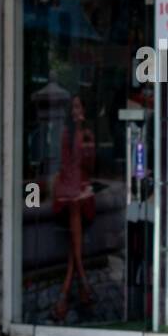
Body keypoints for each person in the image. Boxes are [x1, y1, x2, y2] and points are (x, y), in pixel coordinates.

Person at [52, 95, 96, 323]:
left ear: (84, 111)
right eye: (73, 108)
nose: (76, 111)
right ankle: (83, 283)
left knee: (77, 210)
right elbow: (63, 167)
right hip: (67, 194)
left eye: (79, 106)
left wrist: (86, 141)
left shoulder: (88, 134)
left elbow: (91, 166)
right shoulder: (65, 135)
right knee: (73, 208)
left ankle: (65, 293)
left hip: (83, 196)